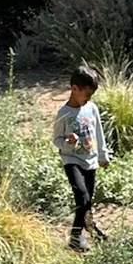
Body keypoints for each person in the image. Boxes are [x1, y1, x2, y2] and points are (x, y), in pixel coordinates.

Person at [53, 64, 109, 251]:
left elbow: (99, 132)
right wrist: (68, 143)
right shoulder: (63, 114)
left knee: (88, 200)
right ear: (74, 89)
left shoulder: (91, 108)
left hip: (90, 160)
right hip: (72, 160)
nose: (88, 99)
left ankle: (90, 226)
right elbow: (56, 140)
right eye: (86, 94)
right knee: (82, 196)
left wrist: (103, 154)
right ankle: (76, 236)